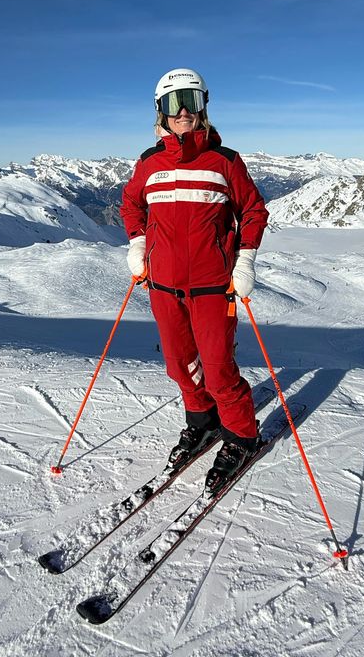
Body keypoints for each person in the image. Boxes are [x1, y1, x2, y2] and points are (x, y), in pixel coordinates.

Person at [120, 68, 269, 492]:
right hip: (163, 287)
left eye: (192, 100)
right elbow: (131, 205)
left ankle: (241, 435)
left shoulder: (225, 161)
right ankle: (203, 421)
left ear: (204, 106)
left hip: (212, 287)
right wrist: (138, 243)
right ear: (160, 112)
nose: (183, 111)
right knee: (179, 365)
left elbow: (253, 211)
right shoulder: (149, 163)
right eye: (173, 102)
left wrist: (245, 260)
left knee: (218, 369)